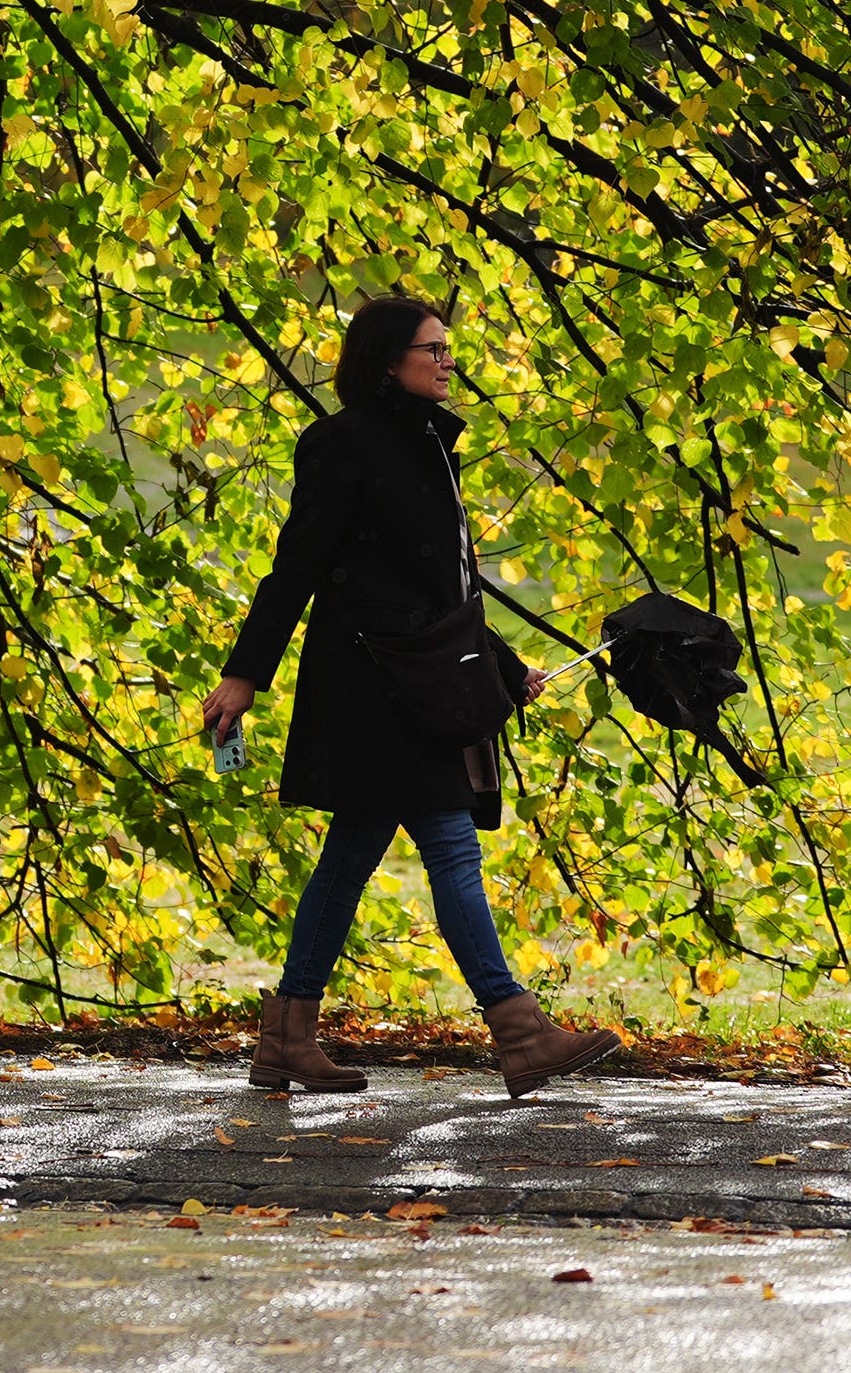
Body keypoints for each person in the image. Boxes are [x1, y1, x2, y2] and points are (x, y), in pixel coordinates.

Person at [198, 293, 626, 1100]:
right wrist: (245, 672)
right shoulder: (341, 443)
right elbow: (299, 567)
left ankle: (289, 1034)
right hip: (372, 687)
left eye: (448, 347)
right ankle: (519, 1030)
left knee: (354, 853)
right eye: (434, 349)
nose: (447, 360)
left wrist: (498, 666)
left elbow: (445, 585)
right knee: (449, 845)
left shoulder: (433, 444)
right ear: (389, 358)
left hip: (425, 679)